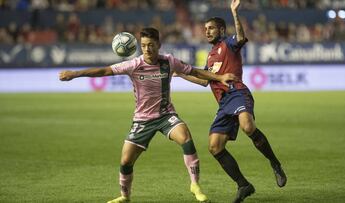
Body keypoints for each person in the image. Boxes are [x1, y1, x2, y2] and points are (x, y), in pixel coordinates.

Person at [59, 27, 237, 203]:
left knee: (186, 138)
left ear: (158, 44)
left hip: (166, 115)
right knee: (126, 161)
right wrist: (75, 74)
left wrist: (219, 78)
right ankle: (125, 196)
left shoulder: (169, 61)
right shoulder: (133, 65)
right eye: (143, 45)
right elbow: (104, 71)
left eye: (150, 45)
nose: (147, 49)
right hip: (142, 120)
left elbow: (195, 71)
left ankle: (195, 185)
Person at [177, 0, 287, 202]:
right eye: (205, 29)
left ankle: (275, 163)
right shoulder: (210, 56)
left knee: (247, 126)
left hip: (237, 93)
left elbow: (242, 36)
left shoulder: (228, 43)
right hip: (223, 104)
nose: (207, 32)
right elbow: (203, 81)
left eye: (211, 28)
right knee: (214, 147)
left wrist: (234, 13)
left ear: (221, 29)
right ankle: (244, 185)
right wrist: (181, 74)